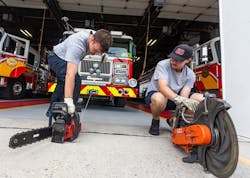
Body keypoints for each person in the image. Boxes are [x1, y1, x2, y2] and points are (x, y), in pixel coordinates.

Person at [46, 29, 112, 116]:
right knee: (70, 80)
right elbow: (70, 75)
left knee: (74, 81)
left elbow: (102, 35)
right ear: (91, 39)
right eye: (96, 50)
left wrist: (103, 54)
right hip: (57, 58)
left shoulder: (96, 36)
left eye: (99, 52)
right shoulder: (77, 45)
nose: (96, 54)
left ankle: (63, 108)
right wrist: (68, 100)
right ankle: (62, 109)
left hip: (65, 58)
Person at [145, 44, 204, 136]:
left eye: (178, 60)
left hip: (175, 98)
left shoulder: (190, 74)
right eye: (172, 58)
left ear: (188, 60)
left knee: (201, 99)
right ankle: (155, 120)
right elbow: (162, 87)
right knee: (159, 98)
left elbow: (184, 94)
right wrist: (179, 99)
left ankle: (175, 119)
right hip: (159, 95)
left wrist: (184, 102)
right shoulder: (162, 65)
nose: (173, 61)